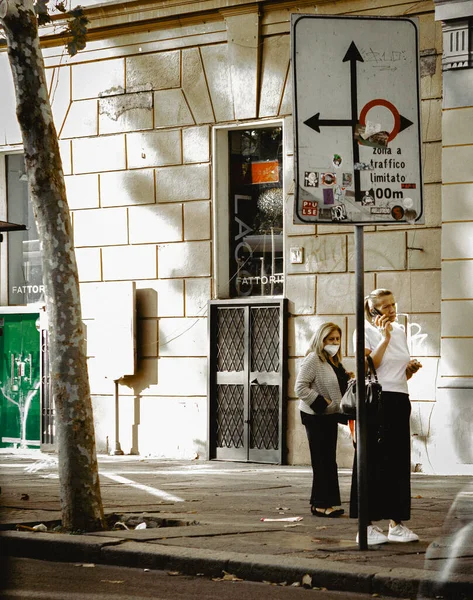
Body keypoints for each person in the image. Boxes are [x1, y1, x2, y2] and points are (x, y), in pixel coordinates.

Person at [350, 288, 422, 545]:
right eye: (385, 306)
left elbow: (395, 373)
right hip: (376, 403)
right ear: (373, 311)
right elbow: (369, 367)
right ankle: (366, 524)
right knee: (371, 459)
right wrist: (384, 337)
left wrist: (409, 370)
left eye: (393, 304)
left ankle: (396, 523)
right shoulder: (365, 332)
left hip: (399, 399)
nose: (392, 310)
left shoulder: (401, 331)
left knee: (398, 461)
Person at [295, 322, 351, 518]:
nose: (334, 342)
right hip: (314, 415)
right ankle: (320, 505)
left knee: (329, 461)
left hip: (329, 415)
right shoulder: (313, 359)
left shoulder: (333, 361)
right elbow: (300, 387)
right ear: (321, 339)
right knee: (321, 461)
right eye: (330, 339)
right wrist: (321, 401)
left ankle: (330, 502)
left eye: (337, 339)